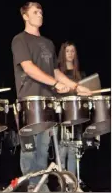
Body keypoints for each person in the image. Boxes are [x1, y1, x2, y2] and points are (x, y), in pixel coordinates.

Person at [11, 2, 91, 191]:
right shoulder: (20, 39)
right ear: (25, 16)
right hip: (29, 101)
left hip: (48, 101)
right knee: (29, 150)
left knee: (43, 149)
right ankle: (31, 185)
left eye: (41, 12)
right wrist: (55, 84)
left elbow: (55, 71)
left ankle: (41, 184)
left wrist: (76, 86)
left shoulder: (47, 43)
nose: (40, 14)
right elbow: (29, 68)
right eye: (35, 12)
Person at [56, 41, 86, 176]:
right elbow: (52, 91)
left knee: (74, 149)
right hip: (62, 114)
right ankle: (61, 182)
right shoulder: (57, 72)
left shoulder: (80, 74)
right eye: (67, 51)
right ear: (63, 53)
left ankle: (73, 182)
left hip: (76, 114)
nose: (70, 54)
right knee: (62, 148)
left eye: (73, 51)